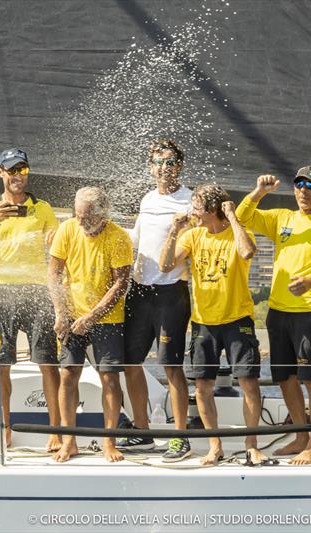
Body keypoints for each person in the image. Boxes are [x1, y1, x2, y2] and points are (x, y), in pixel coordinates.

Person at [235, 167, 311, 464]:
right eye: (299, 184)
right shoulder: (281, 217)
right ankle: (300, 435)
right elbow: (242, 218)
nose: (304, 190)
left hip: (308, 312)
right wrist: (259, 192)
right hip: (277, 311)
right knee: (284, 378)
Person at [160, 184, 268, 466]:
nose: (191, 211)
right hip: (203, 323)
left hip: (237, 319)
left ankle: (251, 444)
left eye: (196, 206)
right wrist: (174, 231)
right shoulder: (193, 235)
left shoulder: (237, 234)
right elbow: (165, 265)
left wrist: (232, 217)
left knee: (248, 382)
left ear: (212, 210)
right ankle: (214, 445)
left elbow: (247, 253)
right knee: (202, 387)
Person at [0, 148, 61, 453]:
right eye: (11, 171)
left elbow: (59, 246)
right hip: (1, 293)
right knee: (1, 365)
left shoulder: (43, 208)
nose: (17, 176)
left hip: (37, 293)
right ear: (0, 173)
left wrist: (54, 239)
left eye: (22, 170)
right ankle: (4, 430)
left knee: (48, 363)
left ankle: (56, 430)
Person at [119, 139, 193, 462]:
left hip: (171, 292)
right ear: (150, 168)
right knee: (130, 362)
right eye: (158, 162)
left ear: (180, 165)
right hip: (140, 290)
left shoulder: (189, 202)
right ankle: (142, 431)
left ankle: (180, 436)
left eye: (171, 161)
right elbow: (134, 238)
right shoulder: (148, 199)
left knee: (171, 365)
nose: (165, 167)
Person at [48, 186, 133, 463]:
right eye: (77, 215)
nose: (80, 221)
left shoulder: (118, 237)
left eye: (86, 216)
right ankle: (69, 440)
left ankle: (110, 442)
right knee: (68, 374)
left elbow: (121, 283)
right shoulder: (67, 229)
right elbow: (54, 274)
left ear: (101, 214)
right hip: (71, 314)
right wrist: (61, 312)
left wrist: (92, 316)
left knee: (109, 377)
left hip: (106, 318)